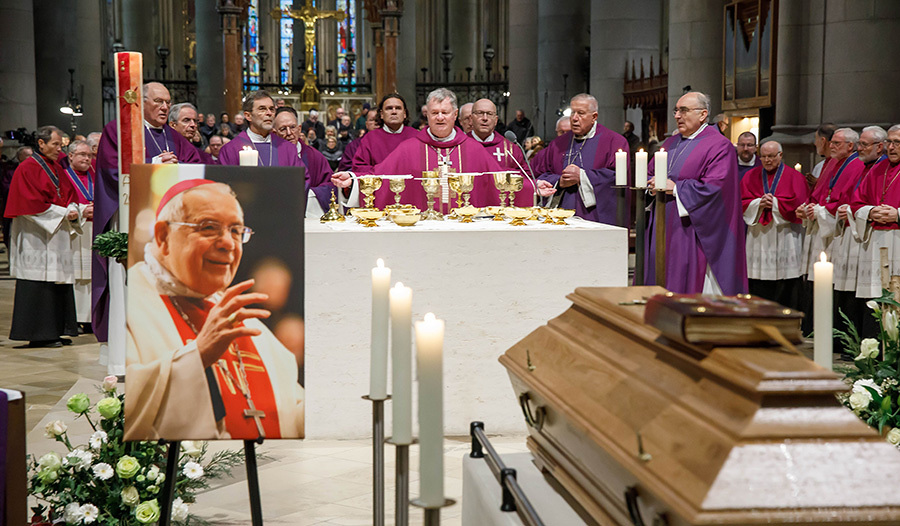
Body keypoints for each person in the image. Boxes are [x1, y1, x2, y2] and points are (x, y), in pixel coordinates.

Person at [125, 180, 304, 440]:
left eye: (236, 231)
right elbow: (121, 408)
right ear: (163, 236)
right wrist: (197, 355)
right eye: (209, 228)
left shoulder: (241, 318)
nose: (228, 244)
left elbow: (292, 409)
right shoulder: (131, 302)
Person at [93, 82, 203, 362]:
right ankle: (124, 356)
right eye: (158, 102)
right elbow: (110, 169)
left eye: (167, 102)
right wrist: (154, 163)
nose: (165, 107)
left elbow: (194, 164)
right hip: (133, 218)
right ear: (141, 102)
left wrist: (178, 169)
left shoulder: (173, 135)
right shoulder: (119, 130)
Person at [644, 91, 747, 295]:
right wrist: (651, 186)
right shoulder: (670, 143)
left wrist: (677, 188)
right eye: (676, 110)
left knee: (686, 285)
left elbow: (716, 188)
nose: (677, 116)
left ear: (703, 114)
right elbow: (650, 172)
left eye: (683, 110)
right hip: (664, 224)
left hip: (691, 230)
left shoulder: (719, 145)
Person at [349, 88, 505, 212]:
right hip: (419, 233)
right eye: (435, 113)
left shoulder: (473, 149)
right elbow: (379, 177)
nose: (440, 118)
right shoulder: (408, 148)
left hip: (464, 231)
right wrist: (352, 180)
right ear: (427, 116)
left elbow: (501, 184)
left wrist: (529, 186)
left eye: (445, 112)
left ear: (455, 114)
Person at [5, 126, 84, 347]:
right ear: (41, 144)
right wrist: (63, 212)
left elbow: (69, 194)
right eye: (55, 144)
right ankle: (39, 334)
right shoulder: (27, 168)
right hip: (36, 236)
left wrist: (74, 209)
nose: (59, 149)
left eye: (61, 145)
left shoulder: (56, 167)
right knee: (39, 283)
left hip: (56, 233)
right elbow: (28, 204)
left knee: (57, 281)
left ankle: (56, 330)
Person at [536, 93, 630, 224]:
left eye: (581, 113)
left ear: (594, 117)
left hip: (596, 218)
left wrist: (582, 176)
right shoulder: (558, 144)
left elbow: (617, 178)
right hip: (559, 217)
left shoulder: (614, 142)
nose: (574, 118)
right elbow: (540, 173)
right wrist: (560, 181)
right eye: (572, 112)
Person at [741, 140, 808, 310]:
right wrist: (758, 203)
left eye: (771, 156)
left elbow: (799, 203)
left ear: (780, 155)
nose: (767, 160)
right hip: (758, 234)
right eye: (763, 156)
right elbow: (740, 202)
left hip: (785, 233)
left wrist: (776, 204)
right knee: (757, 281)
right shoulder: (750, 176)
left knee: (786, 280)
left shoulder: (795, 176)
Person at [835, 126, 887, 338]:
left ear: (879, 146)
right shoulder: (867, 167)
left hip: (880, 238)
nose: (859, 148)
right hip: (864, 234)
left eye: (864, 144)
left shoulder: (881, 168)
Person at [851, 125, 900, 302]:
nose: (892, 147)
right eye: (889, 142)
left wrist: (898, 215)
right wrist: (870, 212)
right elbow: (856, 203)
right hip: (876, 243)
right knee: (876, 302)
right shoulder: (877, 169)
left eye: (897, 142)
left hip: (898, 240)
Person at [468, 98, 534, 206]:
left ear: (496, 120)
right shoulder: (461, 147)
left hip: (503, 210)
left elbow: (526, 179)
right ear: (471, 119)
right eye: (480, 113)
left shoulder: (511, 149)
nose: (485, 118)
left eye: (489, 114)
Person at [271, 106, 335, 214]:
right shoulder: (268, 157)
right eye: (283, 129)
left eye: (292, 127)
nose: (289, 133)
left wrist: (309, 195)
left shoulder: (314, 156)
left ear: (299, 129)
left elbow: (330, 186)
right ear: (274, 133)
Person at [218, 90, 304, 169]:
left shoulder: (287, 148)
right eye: (262, 109)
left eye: (271, 109)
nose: (269, 113)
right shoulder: (231, 149)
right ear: (248, 116)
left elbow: (302, 180)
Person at [64, 139, 96, 331]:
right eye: (82, 155)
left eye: (89, 155)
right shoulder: (63, 176)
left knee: (93, 276)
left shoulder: (96, 175)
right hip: (74, 230)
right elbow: (61, 203)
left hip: (94, 230)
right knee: (76, 275)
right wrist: (83, 210)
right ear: (70, 156)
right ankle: (74, 318)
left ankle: (91, 318)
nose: (87, 159)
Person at [340, 106, 378, 172]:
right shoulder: (354, 146)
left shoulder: (390, 143)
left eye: (378, 120)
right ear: (366, 124)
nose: (376, 123)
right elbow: (345, 169)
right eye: (371, 120)